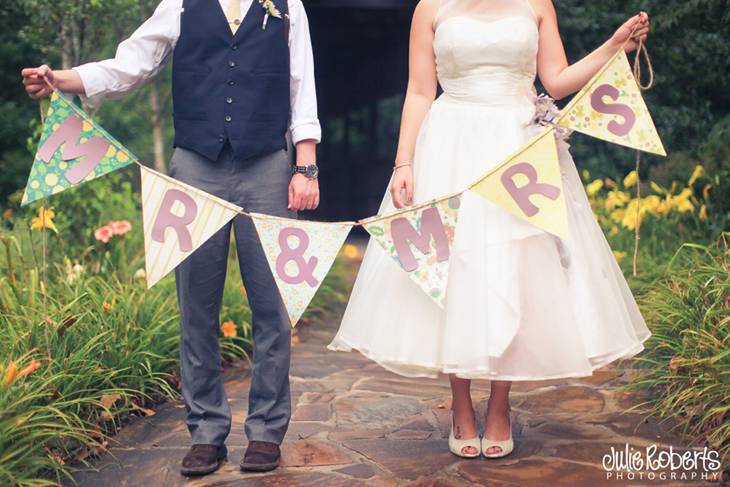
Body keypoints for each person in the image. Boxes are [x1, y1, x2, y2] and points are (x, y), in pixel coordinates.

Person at [329, 0, 651, 459]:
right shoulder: (430, 8)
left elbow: (556, 80)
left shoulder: (537, 4)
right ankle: (461, 403)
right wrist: (404, 161)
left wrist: (613, 46)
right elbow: (421, 91)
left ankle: (500, 403)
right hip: (448, 146)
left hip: (518, 152)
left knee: (514, 268)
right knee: (451, 273)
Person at [22, 0, 321, 476]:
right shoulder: (180, 4)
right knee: (196, 306)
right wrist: (60, 78)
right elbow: (129, 64)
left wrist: (305, 167)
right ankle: (206, 433)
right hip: (195, 168)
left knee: (273, 306)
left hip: (269, 164)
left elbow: (301, 84)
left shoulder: (288, 6)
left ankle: (265, 432)